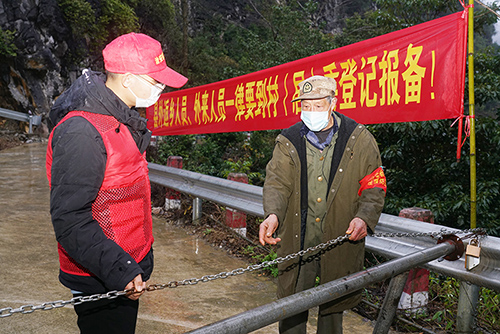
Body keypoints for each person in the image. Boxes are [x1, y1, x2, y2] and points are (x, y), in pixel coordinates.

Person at [46, 32, 187, 334]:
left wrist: (134, 262)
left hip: (122, 267)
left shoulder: (123, 120)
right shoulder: (82, 132)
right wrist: (118, 267)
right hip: (100, 272)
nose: (161, 89)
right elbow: (70, 218)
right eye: (155, 82)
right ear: (127, 79)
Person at [259, 75, 386, 334]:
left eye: (317, 105)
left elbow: (374, 185)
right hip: (299, 235)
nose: (311, 112)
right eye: (305, 106)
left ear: (333, 103)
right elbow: (277, 183)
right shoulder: (289, 140)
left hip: (339, 235)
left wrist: (364, 217)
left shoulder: (359, 140)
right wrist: (273, 215)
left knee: (332, 305)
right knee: (293, 304)